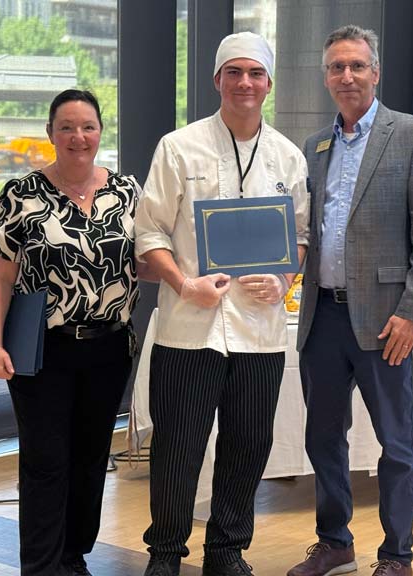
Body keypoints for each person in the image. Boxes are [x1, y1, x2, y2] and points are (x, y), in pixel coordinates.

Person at [134, 32, 309, 576]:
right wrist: (185, 284)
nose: (245, 83)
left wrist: (283, 279)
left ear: (269, 84)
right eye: (234, 72)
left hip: (260, 329)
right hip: (190, 326)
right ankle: (165, 553)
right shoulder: (178, 146)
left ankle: (227, 550)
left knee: (248, 444)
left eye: (255, 74)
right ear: (217, 80)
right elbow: (150, 233)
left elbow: (300, 237)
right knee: (178, 448)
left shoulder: (288, 156)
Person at [287, 25, 413, 576]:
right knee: (323, 437)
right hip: (322, 316)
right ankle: (335, 541)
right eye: (336, 67)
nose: (347, 76)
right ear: (326, 76)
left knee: (396, 444)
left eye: (357, 65)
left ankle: (396, 555)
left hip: (386, 320)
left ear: (376, 73)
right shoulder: (316, 145)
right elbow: (312, 227)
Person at [0, 89, 150, 576]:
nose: (79, 136)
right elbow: (1, 277)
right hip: (42, 347)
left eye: (88, 126)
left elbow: (145, 264)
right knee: (45, 460)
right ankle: (40, 565)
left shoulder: (128, 192)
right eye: (67, 127)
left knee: (91, 457)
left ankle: (73, 555)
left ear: (101, 131)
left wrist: (196, 273)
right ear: (51, 134)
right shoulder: (21, 194)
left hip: (110, 348)